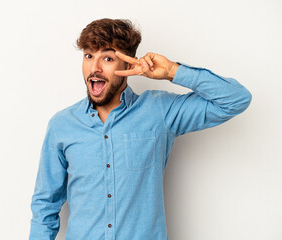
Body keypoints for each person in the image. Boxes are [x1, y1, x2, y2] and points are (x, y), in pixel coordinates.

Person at [29, 18, 252, 240]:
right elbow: (45, 206)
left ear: (129, 64)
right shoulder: (62, 125)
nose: (94, 68)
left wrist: (172, 70)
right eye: (89, 56)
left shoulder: (160, 111)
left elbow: (235, 99)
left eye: (107, 58)